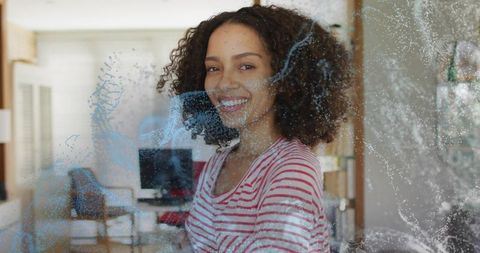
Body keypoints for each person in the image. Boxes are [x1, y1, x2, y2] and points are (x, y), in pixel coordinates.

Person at [157, 4, 351, 252]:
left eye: (246, 66)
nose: (224, 83)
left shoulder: (294, 169)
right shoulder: (219, 162)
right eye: (213, 68)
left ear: (283, 77)